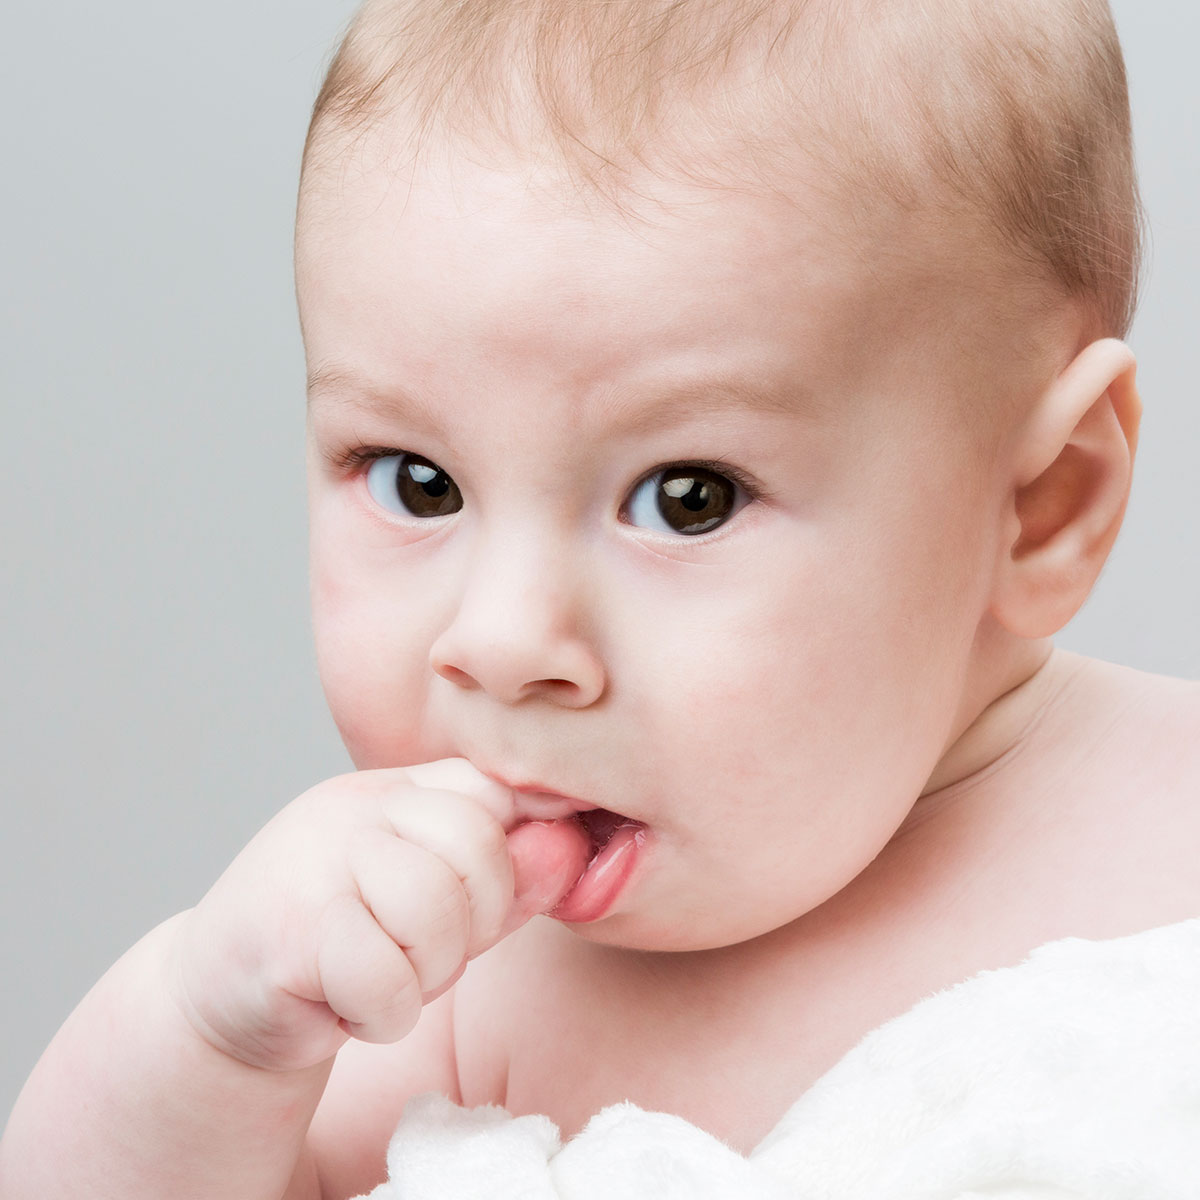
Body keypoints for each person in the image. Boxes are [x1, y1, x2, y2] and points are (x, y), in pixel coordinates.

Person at [4, 0, 1199, 1196]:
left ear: (1040, 504)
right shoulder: (454, 1004)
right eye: (419, 484)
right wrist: (207, 1032)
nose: (506, 641)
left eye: (688, 498)